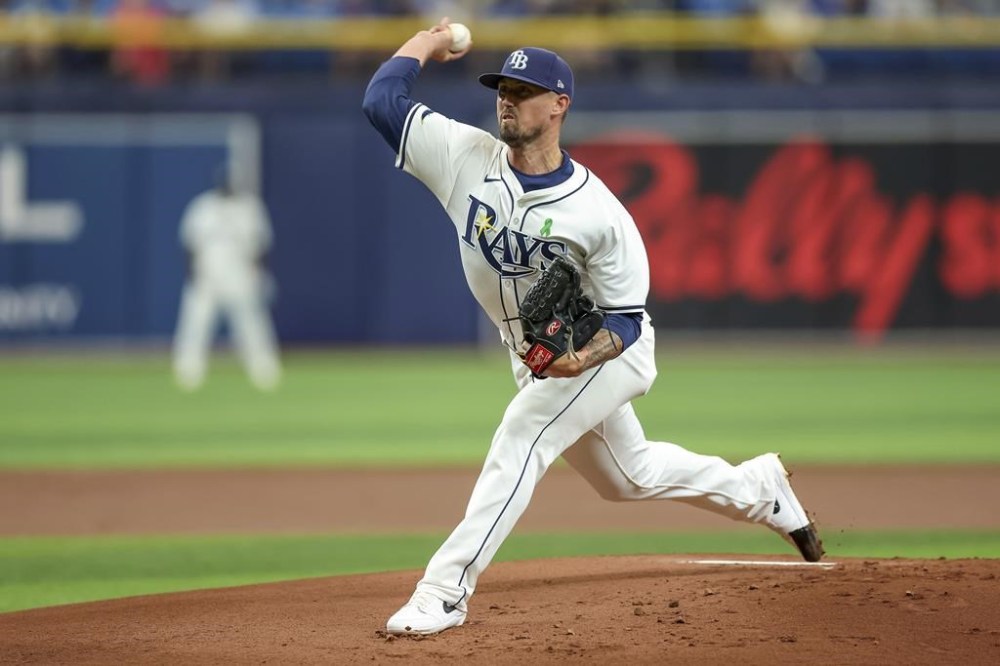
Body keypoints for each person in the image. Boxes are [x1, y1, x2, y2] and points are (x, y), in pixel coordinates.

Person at [361, 19, 823, 637]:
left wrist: (580, 361)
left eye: (522, 91)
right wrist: (429, 38)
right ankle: (758, 488)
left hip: (605, 355)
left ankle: (444, 590)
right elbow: (381, 101)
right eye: (502, 88)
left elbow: (628, 321)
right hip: (539, 355)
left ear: (559, 106)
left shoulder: (598, 211)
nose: (506, 99)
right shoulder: (463, 158)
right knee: (629, 477)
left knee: (524, 432)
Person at [172, 165, 281, 392]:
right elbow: (190, 244)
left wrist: (260, 273)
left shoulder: (250, 208)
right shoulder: (203, 207)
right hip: (207, 277)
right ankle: (188, 370)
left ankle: (263, 369)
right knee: (195, 325)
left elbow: (262, 245)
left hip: (240, 277)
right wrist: (192, 274)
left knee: (252, 326)